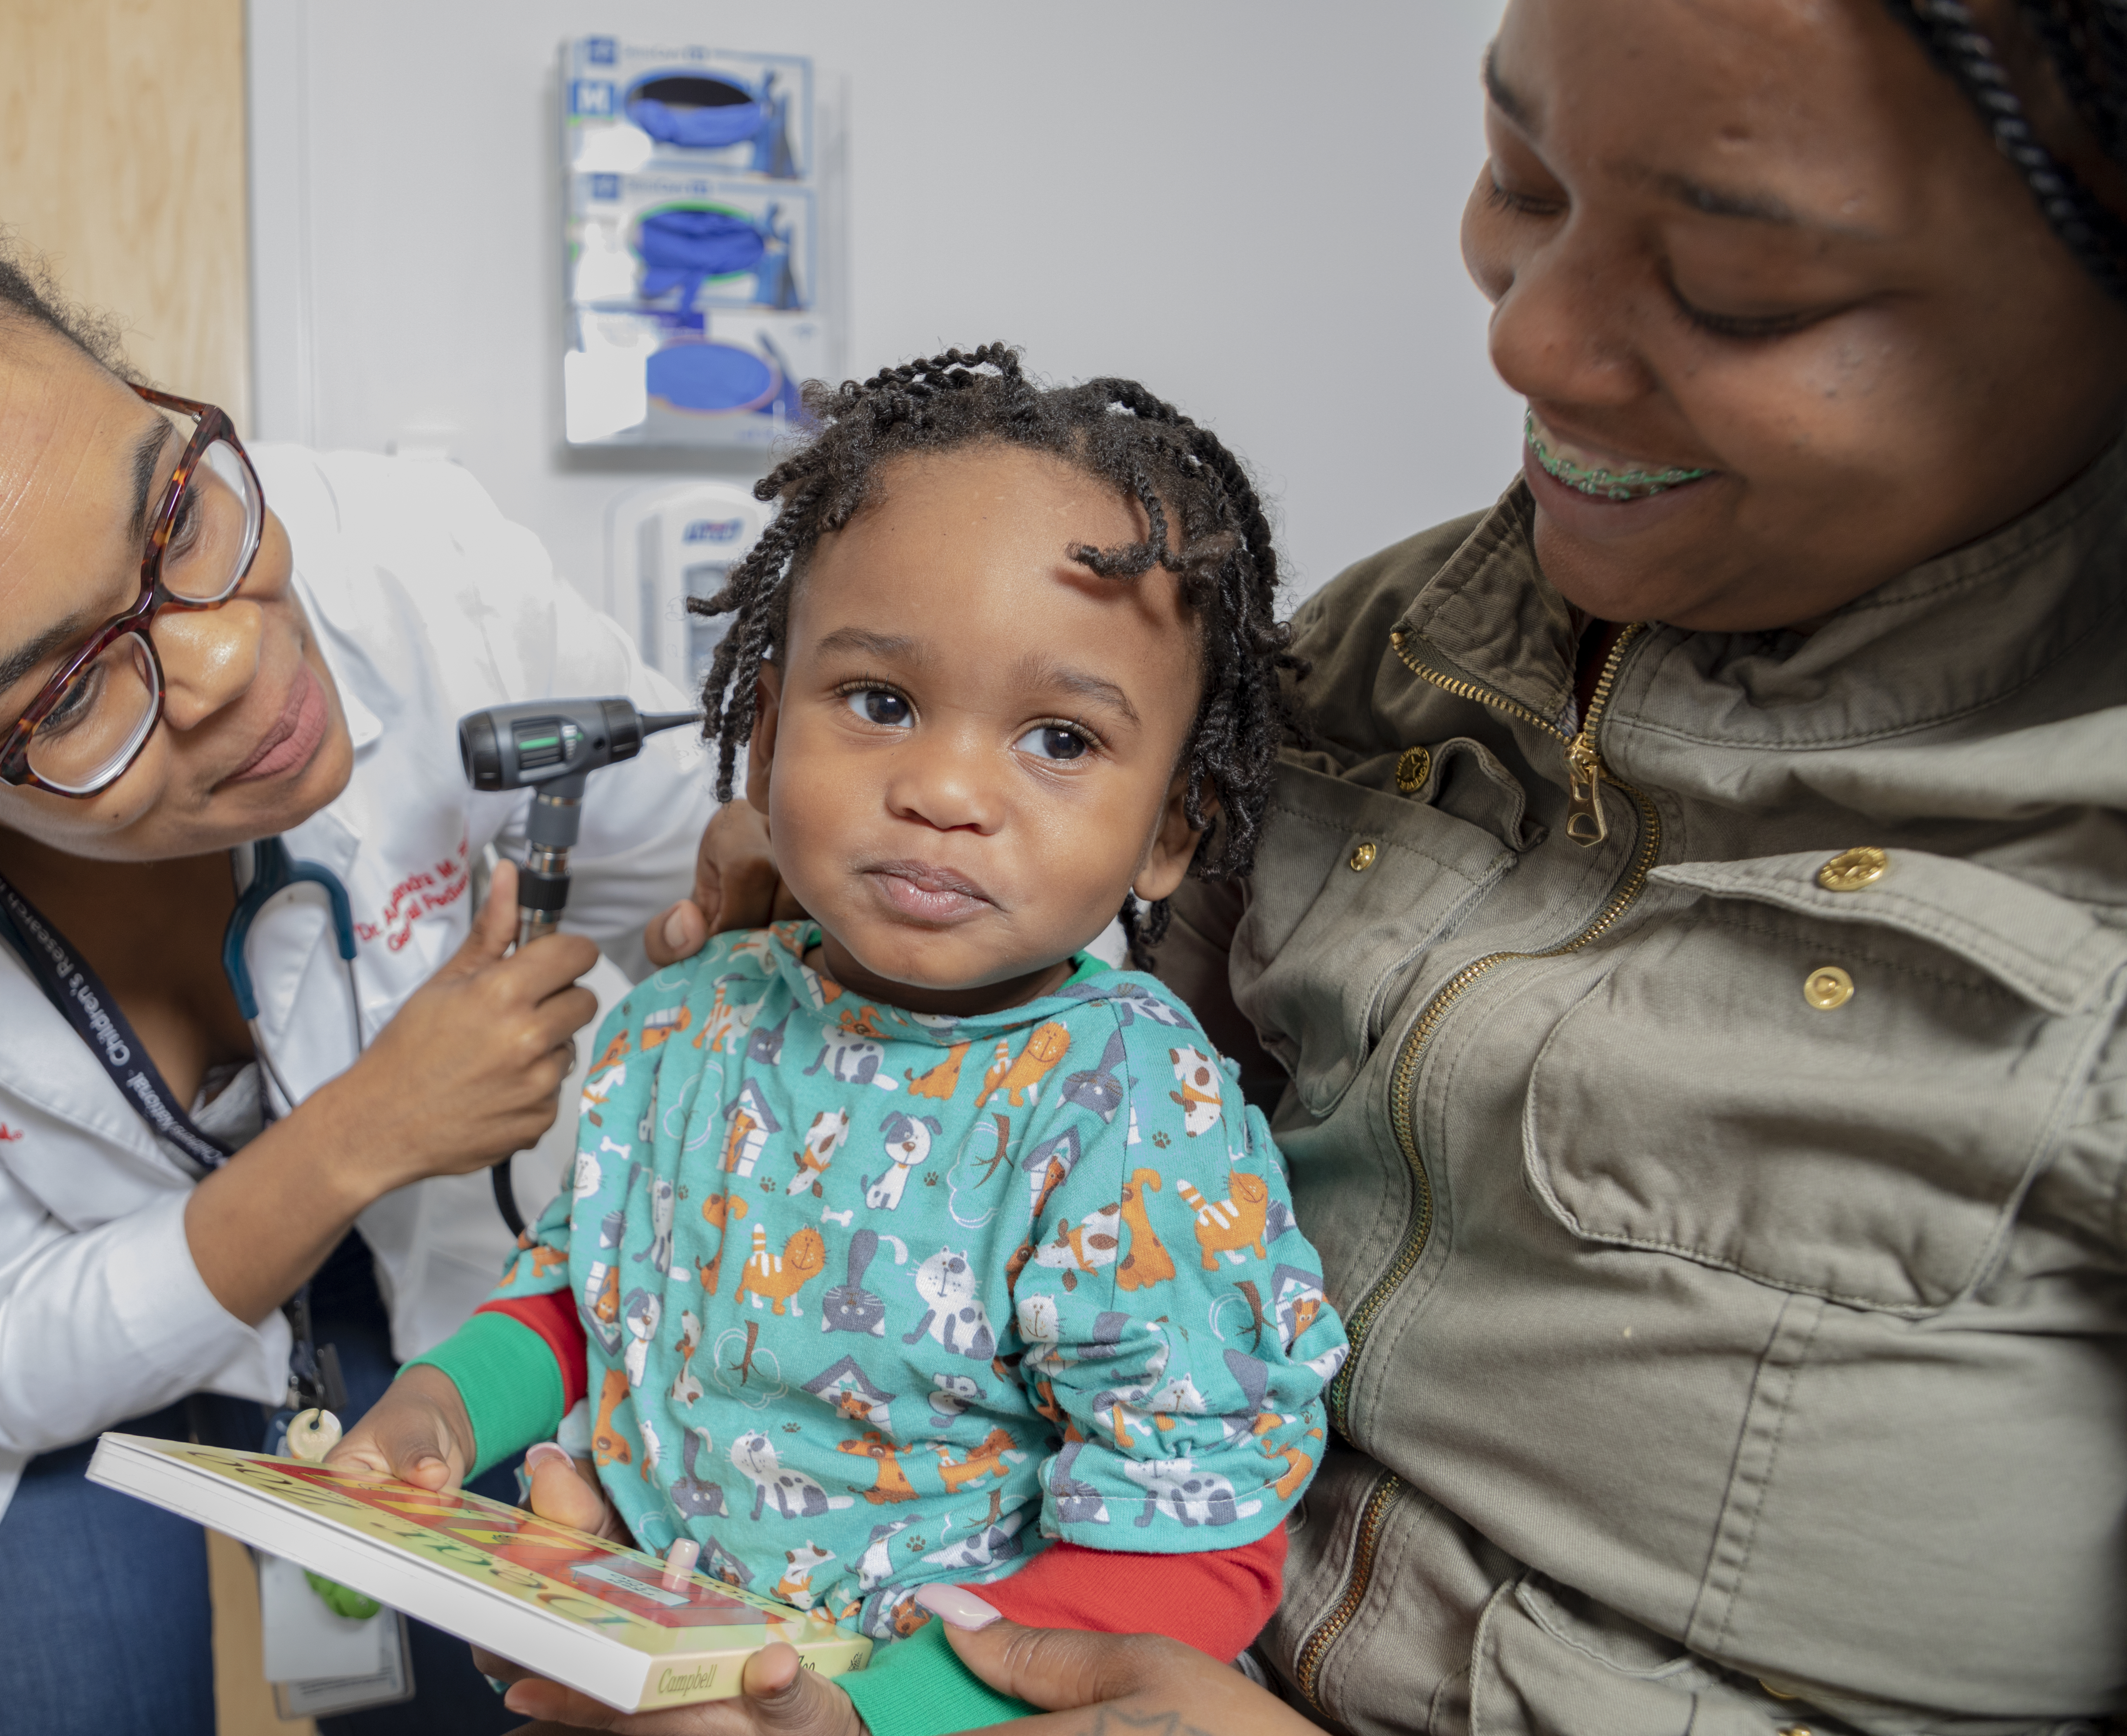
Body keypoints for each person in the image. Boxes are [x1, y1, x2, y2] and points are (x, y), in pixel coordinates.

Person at [491, 2, 2127, 1731]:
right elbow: (1000, 1156)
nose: (1536, 343)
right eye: (1519, 177)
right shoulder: (1366, 660)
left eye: (1738, 287)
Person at [0, 201, 786, 1736]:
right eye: (64, 690)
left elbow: (703, 870)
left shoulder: (420, 567)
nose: (234, 662)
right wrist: (362, 1132)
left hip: (443, 1255)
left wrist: (780, 895)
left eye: (173, 508)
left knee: (519, 1686)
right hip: (21, 1362)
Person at [332, 348, 1348, 1736]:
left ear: (1171, 831)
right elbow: (592, 1289)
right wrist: (448, 1409)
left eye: (1057, 737)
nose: (940, 789)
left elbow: (1193, 1536)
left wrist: (891, 1722)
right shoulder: (691, 1020)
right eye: (879, 702)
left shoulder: (1130, 1113)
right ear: (760, 742)